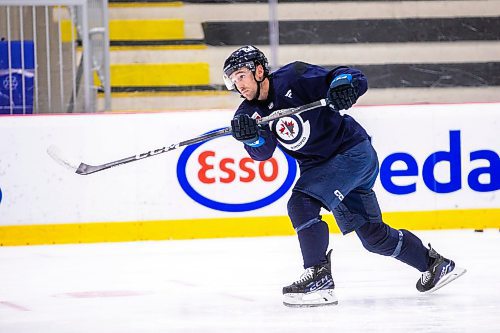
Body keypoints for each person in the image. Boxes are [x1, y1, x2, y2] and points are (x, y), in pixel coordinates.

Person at [224, 45, 466, 307]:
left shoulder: (293, 76)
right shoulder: (247, 114)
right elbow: (263, 153)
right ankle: (436, 265)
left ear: (259, 71)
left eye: (241, 76)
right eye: (233, 80)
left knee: (301, 203)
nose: (238, 85)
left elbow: (348, 76)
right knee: (374, 237)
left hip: (352, 153)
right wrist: (252, 137)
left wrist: (343, 87)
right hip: (327, 170)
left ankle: (319, 276)